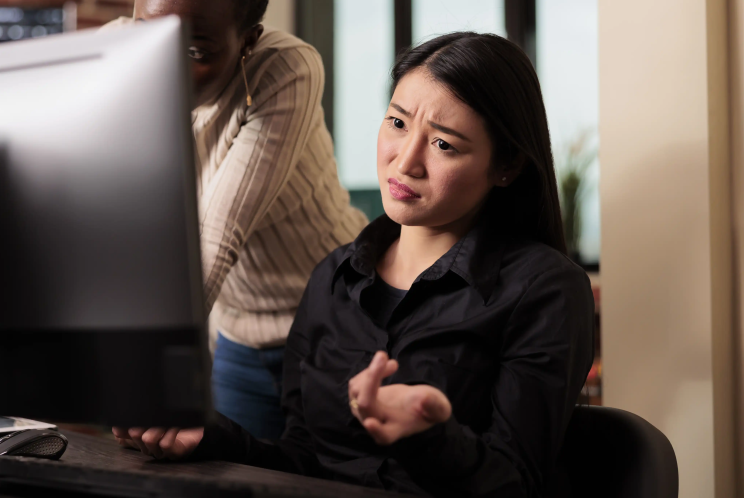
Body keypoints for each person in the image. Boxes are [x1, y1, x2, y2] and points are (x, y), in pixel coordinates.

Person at [114, 33, 596, 498]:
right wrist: (207, 437)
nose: (405, 162)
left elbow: (517, 484)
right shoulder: (332, 278)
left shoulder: (545, 290)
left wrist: (432, 439)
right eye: (398, 123)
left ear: (506, 166)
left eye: (444, 144)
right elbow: (306, 462)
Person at [103, 0, 367, 439]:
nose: (165, 66)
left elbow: (214, 239)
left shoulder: (286, 69)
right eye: (150, 36)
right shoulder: (117, 53)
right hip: (238, 338)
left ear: (247, 41)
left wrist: (148, 367)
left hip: (337, 328)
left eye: (196, 51)